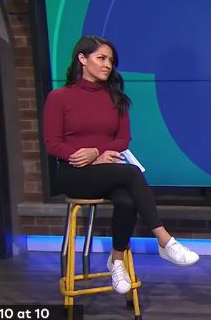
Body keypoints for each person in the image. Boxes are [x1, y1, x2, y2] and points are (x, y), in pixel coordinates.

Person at [43, 36, 200, 295]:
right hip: (74, 173)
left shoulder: (115, 98)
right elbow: (53, 143)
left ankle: (116, 261)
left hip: (107, 170)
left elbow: (122, 139)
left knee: (127, 201)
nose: (108, 65)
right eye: (101, 58)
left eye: (111, 60)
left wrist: (99, 153)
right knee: (131, 172)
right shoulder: (59, 97)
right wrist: (90, 156)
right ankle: (165, 240)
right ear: (82, 59)